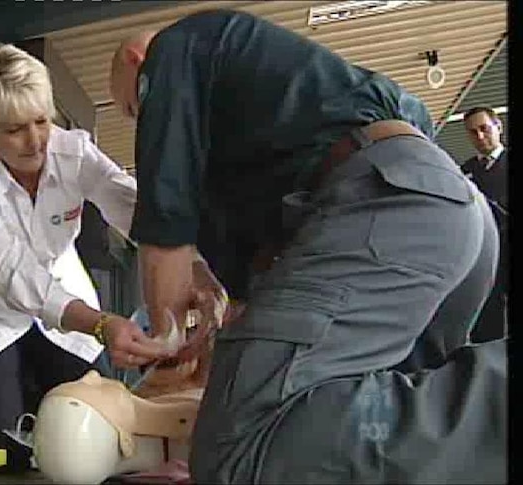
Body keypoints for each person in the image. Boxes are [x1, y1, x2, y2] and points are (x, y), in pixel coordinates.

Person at [109, 9, 506, 484]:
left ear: (137, 62)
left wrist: (167, 330)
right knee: (368, 431)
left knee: (244, 441)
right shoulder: (272, 128)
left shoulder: (175, 47)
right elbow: (248, 308)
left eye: (135, 111)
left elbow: (166, 232)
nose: (145, 124)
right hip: (447, 214)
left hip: (390, 204)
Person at [0, 43, 169, 450]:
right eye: (14, 130)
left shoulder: (73, 151)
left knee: (96, 433)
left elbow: (130, 206)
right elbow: (11, 271)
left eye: (41, 121)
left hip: (66, 297)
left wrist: (194, 262)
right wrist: (99, 323)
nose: (35, 141)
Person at [460, 106, 508, 342]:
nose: (479, 137)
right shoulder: (463, 171)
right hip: (485, 257)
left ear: (498, 127)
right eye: (472, 132)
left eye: (484, 129)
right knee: (487, 315)